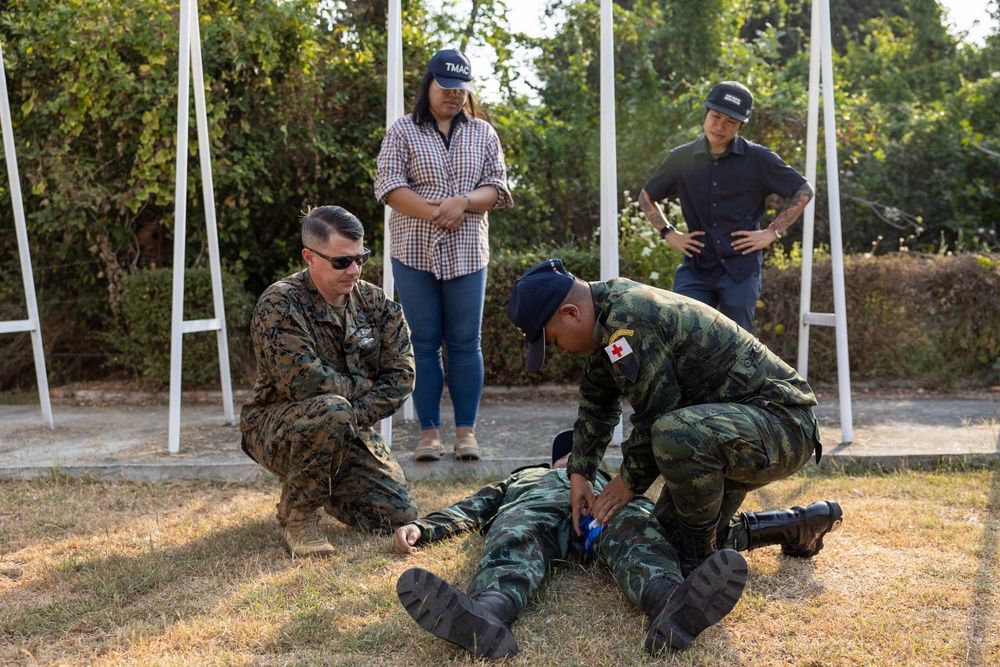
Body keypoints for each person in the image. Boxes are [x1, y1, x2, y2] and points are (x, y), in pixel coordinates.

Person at [506, 259, 834, 578]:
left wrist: (628, 483)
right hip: (731, 434)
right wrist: (580, 473)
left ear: (570, 313)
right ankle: (797, 526)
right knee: (663, 540)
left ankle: (699, 566)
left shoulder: (629, 320)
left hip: (782, 425)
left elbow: (658, 415)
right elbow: (597, 403)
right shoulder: (606, 325)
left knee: (672, 433)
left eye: (553, 340)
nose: (560, 350)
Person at [392, 431, 751, 659]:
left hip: (602, 509)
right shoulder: (525, 476)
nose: (575, 462)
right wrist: (423, 527)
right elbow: (474, 506)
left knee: (637, 532)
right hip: (538, 511)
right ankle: (488, 612)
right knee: (514, 536)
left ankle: (669, 602)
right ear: (557, 459)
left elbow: (661, 519)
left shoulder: (614, 481)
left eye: (585, 457)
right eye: (570, 456)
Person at [240, 205, 419, 557]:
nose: (354, 270)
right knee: (332, 411)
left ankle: (311, 480)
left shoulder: (375, 302)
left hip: (347, 424)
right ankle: (300, 517)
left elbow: (402, 375)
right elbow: (305, 384)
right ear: (310, 257)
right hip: (277, 426)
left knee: (399, 514)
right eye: (341, 261)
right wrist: (363, 390)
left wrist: (354, 411)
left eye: (360, 258)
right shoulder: (279, 304)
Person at [375, 48, 513, 462]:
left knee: (466, 342)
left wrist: (465, 202)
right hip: (413, 251)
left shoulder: (484, 133)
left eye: (460, 90)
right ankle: (429, 432)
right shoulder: (402, 130)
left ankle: (466, 433)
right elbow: (389, 186)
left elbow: (498, 188)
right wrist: (440, 210)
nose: (453, 95)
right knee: (423, 342)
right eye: (445, 87)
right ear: (429, 84)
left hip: (468, 253)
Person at [638, 81, 814, 333]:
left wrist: (772, 232)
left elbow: (803, 190)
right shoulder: (681, 158)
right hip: (696, 267)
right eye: (715, 116)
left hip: (740, 270)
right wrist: (669, 233)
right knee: (684, 336)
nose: (720, 126)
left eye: (730, 121)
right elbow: (646, 196)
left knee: (738, 344)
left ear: (741, 125)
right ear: (706, 114)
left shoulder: (758, 158)